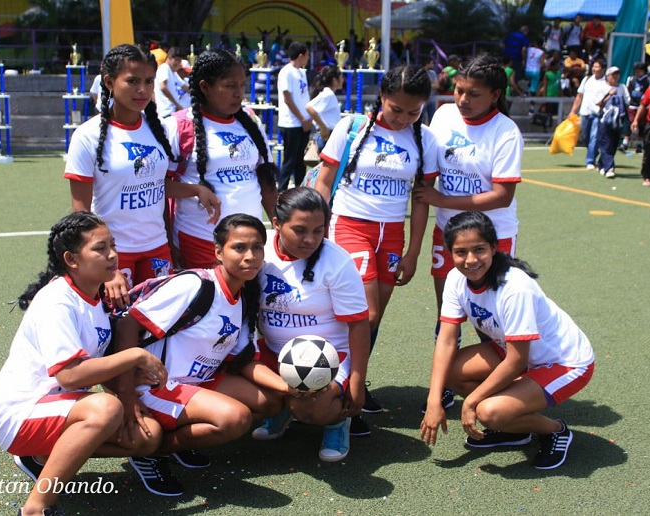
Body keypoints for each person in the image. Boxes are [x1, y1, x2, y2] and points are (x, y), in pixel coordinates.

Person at [0, 212, 168, 514]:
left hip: (60, 406)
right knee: (106, 408)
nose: (112, 255)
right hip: (17, 412)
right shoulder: (57, 301)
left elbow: (92, 364)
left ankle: (43, 458)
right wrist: (133, 356)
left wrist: (129, 389)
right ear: (71, 259)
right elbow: (69, 376)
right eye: (100, 248)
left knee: (146, 436)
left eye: (113, 245)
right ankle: (36, 508)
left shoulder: (93, 294)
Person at [114, 213, 290, 496]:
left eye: (257, 247)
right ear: (218, 252)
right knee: (235, 419)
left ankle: (178, 440)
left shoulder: (244, 296)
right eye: (239, 247)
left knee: (271, 402)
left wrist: (288, 388)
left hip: (197, 381)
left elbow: (244, 361)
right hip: (156, 384)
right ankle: (150, 452)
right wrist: (126, 393)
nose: (250, 256)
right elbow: (127, 324)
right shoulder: (196, 285)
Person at [420, 211, 595, 471]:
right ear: (450, 253)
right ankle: (514, 429)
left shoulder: (515, 288)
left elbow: (517, 361)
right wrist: (434, 399)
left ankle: (555, 430)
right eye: (460, 252)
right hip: (513, 352)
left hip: (564, 362)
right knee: (452, 371)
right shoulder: (456, 279)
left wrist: (471, 402)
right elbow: (446, 342)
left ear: (494, 247)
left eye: (479, 249)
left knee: (489, 412)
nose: (470, 260)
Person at [314, 64, 438, 413]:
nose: (402, 119)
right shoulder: (351, 127)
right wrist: (317, 231)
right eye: (396, 109)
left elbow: (421, 200)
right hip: (350, 226)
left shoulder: (425, 139)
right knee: (363, 315)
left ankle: (354, 384)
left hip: (392, 235)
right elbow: (324, 180)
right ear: (381, 96)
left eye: (413, 112)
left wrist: (413, 252)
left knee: (375, 317)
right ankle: (338, 388)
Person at [65, 44, 219, 308]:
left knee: (157, 324)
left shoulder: (158, 130)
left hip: (157, 248)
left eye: (149, 81)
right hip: (115, 253)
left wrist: (195, 190)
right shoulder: (87, 136)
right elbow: (81, 211)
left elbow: (155, 184)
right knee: (116, 323)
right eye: (132, 81)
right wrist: (106, 264)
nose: (143, 90)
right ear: (109, 82)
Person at [413, 55, 523, 393]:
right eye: (459, 90)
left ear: (495, 95)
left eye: (474, 94)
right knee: (448, 312)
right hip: (448, 234)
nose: (463, 99)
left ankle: (508, 389)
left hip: (493, 237)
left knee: (489, 317)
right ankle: (445, 386)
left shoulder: (505, 131)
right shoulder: (444, 114)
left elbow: (502, 195)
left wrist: (441, 200)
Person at [253, 187, 370, 459]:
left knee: (312, 408)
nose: (310, 239)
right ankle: (282, 409)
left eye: (318, 231)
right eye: (300, 230)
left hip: (330, 357)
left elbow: (359, 324)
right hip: (273, 352)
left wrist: (357, 380)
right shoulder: (259, 252)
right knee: (247, 398)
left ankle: (336, 423)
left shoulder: (336, 261)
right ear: (276, 223)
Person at [171, 48, 278, 269]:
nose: (239, 93)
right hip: (200, 239)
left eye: (242, 85)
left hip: (251, 241)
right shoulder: (178, 125)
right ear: (204, 87)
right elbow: (158, 187)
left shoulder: (251, 121)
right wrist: (169, 241)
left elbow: (266, 181)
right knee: (213, 292)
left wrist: (280, 226)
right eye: (230, 86)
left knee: (249, 293)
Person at [277, 41, 313, 191]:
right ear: (301, 55)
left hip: (303, 123)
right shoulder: (287, 72)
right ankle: (281, 191)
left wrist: (309, 117)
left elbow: (304, 97)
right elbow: (287, 98)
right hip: (291, 123)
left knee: (300, 161)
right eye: (307, 55)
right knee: (289, 160)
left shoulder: (302, 73)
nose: (308, 58)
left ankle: (299, 190)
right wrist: (302, 118)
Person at [568, 59, 609, 170]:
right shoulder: (587, 79)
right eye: (593, 66)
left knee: (594, 137)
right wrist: (573, 110)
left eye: (597, 67)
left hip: (597, 113)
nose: (594, 69)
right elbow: (579, 96)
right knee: (585, 136)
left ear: (603, 69)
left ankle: (590, 160)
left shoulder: (606, 82)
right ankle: (594, 152)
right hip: (584, 112)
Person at [595, 67, 629, 179]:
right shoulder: (602, 87)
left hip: (618, 120)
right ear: (608, 76)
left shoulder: (622, 87)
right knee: (606, 143)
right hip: (605, 120)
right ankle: (609, 167)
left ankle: (601, 164)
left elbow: (627, 102)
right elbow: (599, 104)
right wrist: (609, 95)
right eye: (613, 74)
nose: (615, 77)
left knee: (613, 144)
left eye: (617, 74)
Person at [305, 65, 343, 151]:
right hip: (328, 136)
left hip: (330, 135)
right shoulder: (328, 94)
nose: (342, 80)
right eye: (341, 77)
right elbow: (309, 107)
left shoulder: (328, 94)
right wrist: (324, 127)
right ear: (334, 80)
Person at [622, 61, 650, 153]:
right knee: (630, 123)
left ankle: (640, 144)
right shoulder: (631, 79)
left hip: (642, 106)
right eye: (636, 70)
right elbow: (627, 90)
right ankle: (625, 143)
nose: (637, 72)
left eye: (639, 70)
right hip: (632, 105)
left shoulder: (648, 80)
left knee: (641, 125)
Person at [154, 47, 185, 118]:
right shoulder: (164, 68)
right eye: (177, 60)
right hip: (166, 112)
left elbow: (184, 86)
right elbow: (163, 87)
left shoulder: (173, 72)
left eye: (180, 61)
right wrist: (177, 104)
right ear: (170, 57)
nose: (178, 63)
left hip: (172, 111)